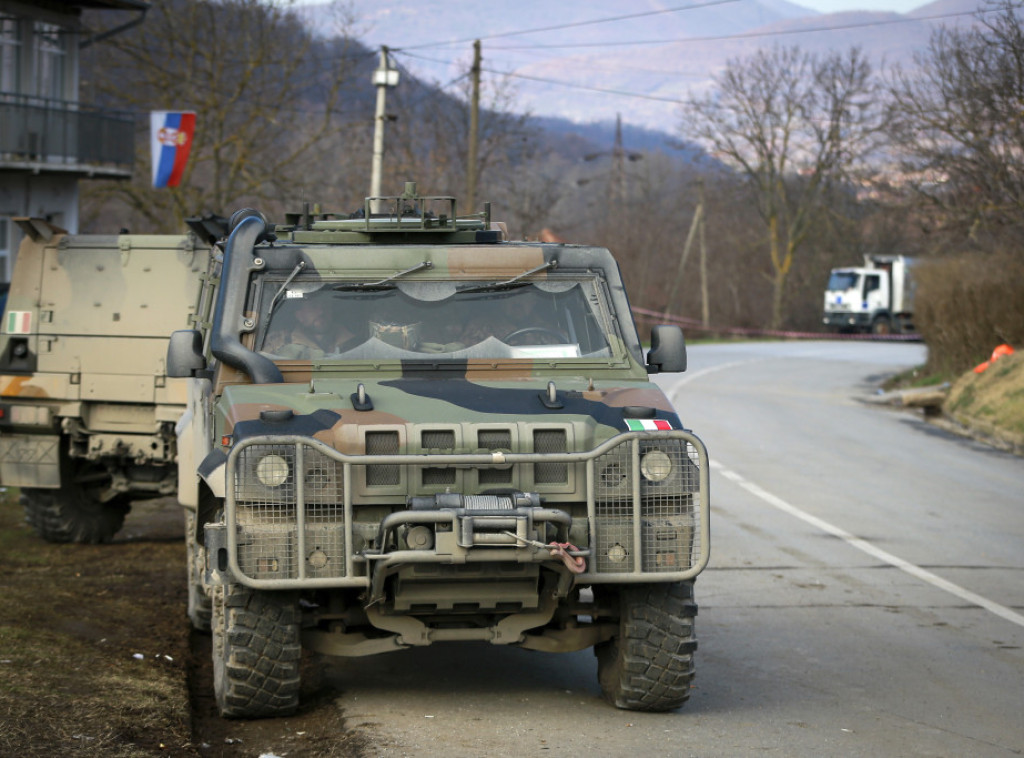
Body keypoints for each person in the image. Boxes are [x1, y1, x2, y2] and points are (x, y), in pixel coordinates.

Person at [262, 294, 359, 359]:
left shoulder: (356, 343)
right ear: (299, 316)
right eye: (314, 307)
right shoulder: (278, 342)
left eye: (325, 306)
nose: (321, 312)